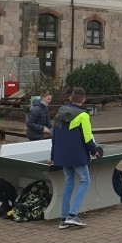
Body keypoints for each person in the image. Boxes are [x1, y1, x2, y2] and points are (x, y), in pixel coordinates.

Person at [51, 87, 100, 229]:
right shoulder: (83, 115)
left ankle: (64, 218)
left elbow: (54, 137)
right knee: (85, 180)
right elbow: (88, 137)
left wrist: (53, 156)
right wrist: (94, 151)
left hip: (62, 155)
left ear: (70, 98)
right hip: (77, 155)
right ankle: (73, 215)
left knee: (69, 183)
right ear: (83, 100)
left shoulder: (59, 112)